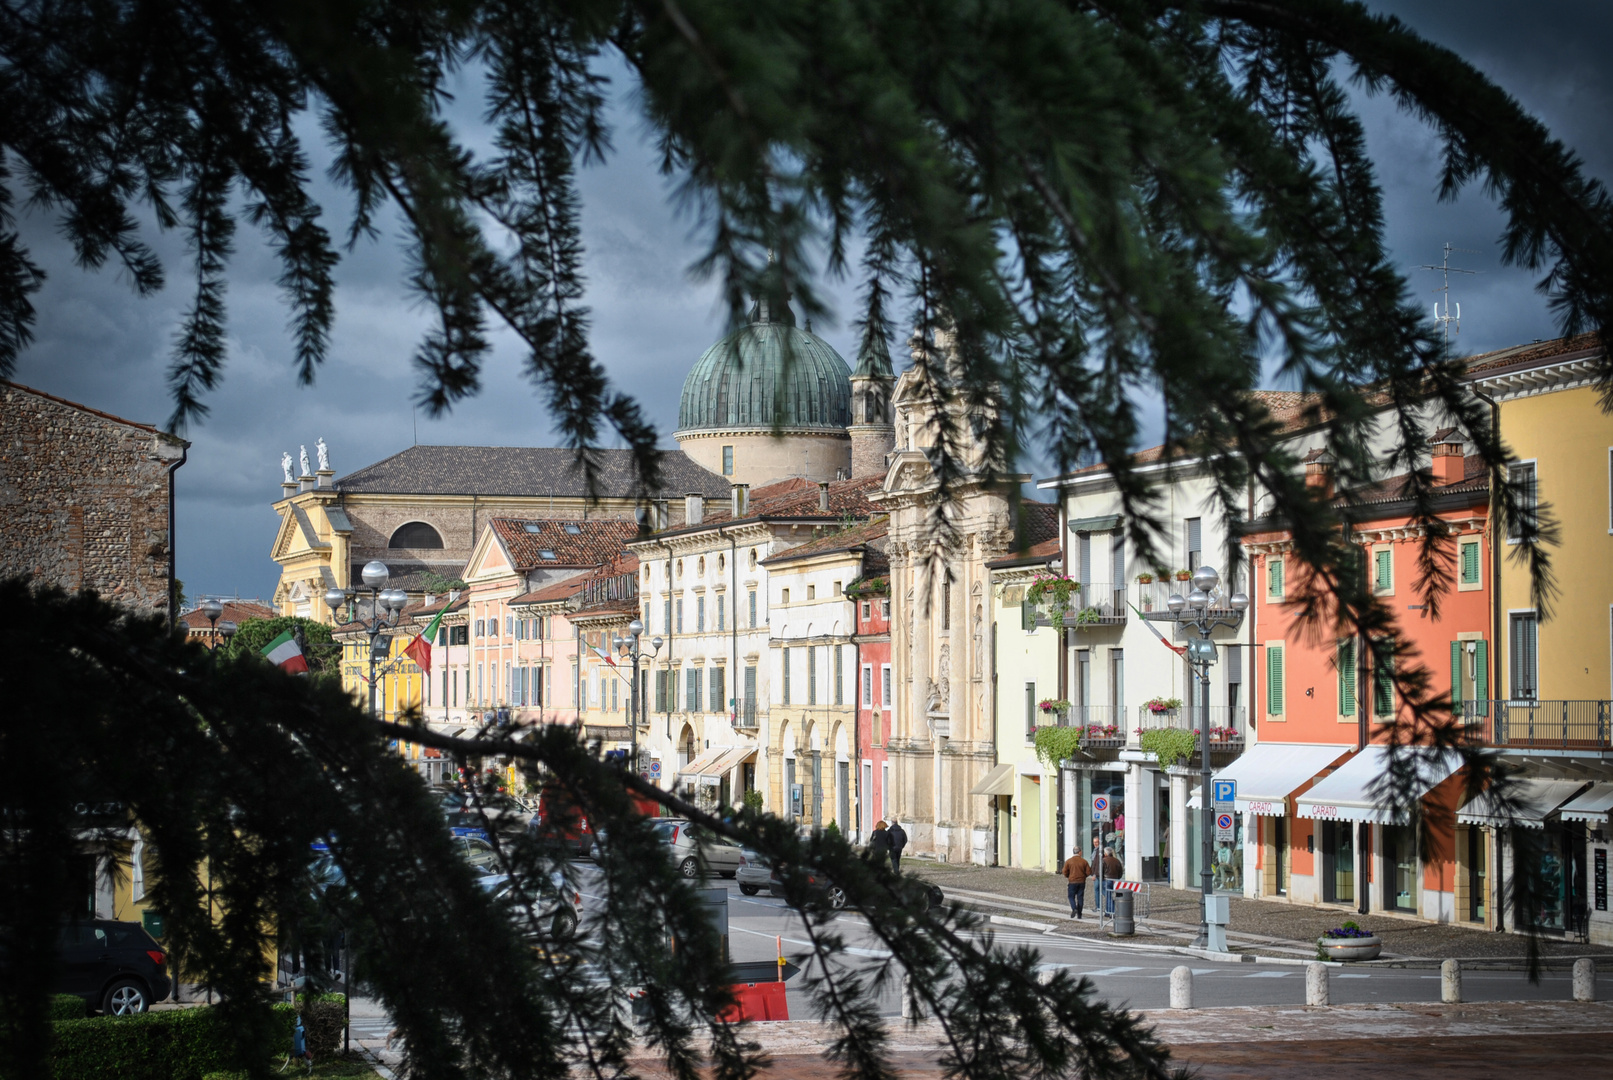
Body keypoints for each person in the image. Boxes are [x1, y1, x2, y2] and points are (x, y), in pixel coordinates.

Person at [1060, 848, 1092, 919]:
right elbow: (1089, 872)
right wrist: (1084, 876)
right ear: (1080, 852)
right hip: (1081, 882)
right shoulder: (1084, 861)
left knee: (1071, 896)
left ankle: (1074, 908)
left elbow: (1064, 871)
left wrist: (1068, 876)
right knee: (1080, 898)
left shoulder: (1069, 861)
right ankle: (1079, 914)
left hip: (1072, 881)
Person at [1101, 846, 1123, 914]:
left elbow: (1101, 871)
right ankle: (1108, 911)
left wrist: (1101, 878)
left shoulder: (1103, 860)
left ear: (1106, 853)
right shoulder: (1117, 860)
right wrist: (1118, 877)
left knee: (1108, 896)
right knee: (1109, 895)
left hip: (1106, 880)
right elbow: (1121, 871)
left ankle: (1112, 911)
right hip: (1115, 880)